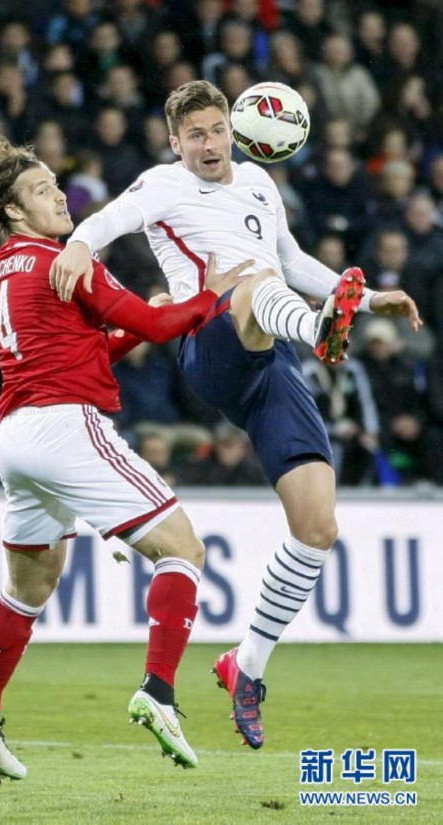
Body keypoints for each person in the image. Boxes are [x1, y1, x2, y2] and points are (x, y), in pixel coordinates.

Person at [49, 79, 421, 751]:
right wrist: (78, 243)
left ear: (233, 127)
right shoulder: (163, 184)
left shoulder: (258, 185)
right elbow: (106, 222)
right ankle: (317, 332)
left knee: (317, 527)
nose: (209, 143)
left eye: (217, 129)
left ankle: (245, 665)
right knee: (246, 284)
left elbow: (294, 261)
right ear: (175, 142)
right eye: (195, 134)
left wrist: (366, 302)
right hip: (209, 342)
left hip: (270, 359)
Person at [0, 136, 251, 778]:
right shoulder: (67, 259)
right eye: (40, 190)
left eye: (57, 182)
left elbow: (75, 352)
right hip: (66, 429)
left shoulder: (1, 269)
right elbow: (160, 327)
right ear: (12, 211)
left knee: (28, 589)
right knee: (184, 550)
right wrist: (208, 297)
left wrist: (136, 329)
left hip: (18, 439)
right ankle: (160, 692)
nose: (60, 194)